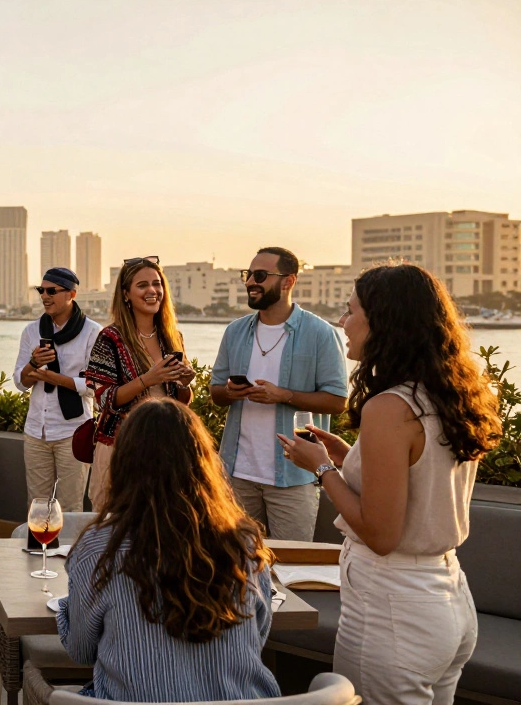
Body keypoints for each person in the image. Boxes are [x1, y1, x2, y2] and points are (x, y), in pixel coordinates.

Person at [280, 264, 497, 704]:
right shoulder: (447, 394)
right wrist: (348, 457)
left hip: (394, 609)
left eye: (350, 310)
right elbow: (419, 477)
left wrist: (321, 469)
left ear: (384, 321)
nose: (343, 322)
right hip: (448, 598)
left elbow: (380, 534)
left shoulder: (389, 407)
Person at [59, 399, 279, 701]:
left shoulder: (99, 548)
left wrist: (64, 608)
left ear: (124, 464)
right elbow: (258, 635)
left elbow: (81, 650)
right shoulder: (243, 543)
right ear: (204, 464)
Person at [211, 247, 348, 540]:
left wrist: (283, 395)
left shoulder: (320, 334)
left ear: (288, 281)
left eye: (260, 275)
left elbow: (338, 401)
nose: (250, 282)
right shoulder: (234, 332)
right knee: (235, 566)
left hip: (294, 477)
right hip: (237, 475)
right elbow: (216, 393)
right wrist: (231, 392)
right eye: (248, 275)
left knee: (291, 568)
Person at [83, 256, 194, 509]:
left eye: (157, 284)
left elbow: (181, 401)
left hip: (165, 445)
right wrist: (147, 379)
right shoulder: (110, 338)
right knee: (113, 525)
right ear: (126, 294)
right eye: (142, 285)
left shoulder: (172, 337)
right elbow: (104, 399)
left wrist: (184, 383)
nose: (152, 291)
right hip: (120, 446)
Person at [12, 267, 101, 513]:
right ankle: (37, 552)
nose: (44, 296)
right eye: (41, 290)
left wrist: (55, 378)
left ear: (71, 294)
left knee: (70, 507)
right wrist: (33, 363)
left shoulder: (93, 332)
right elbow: (20, 382)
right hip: (36, 432)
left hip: (73, 431)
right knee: (37, 506)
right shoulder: (32, 331)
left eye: (52, 291)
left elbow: (94, 386)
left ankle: (70, 553)